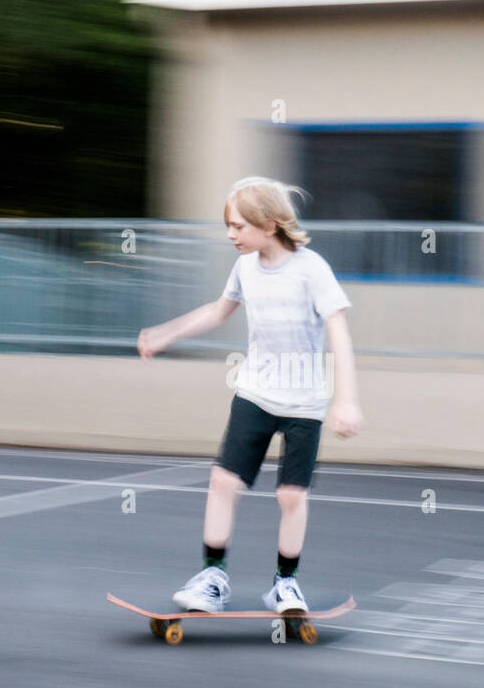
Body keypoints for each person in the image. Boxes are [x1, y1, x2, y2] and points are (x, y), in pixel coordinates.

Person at [137, 177, 363, 614]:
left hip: (304, 404)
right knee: (224, 482)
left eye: (239, 226)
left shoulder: (311, 268)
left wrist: (347, 399)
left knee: (291, 496)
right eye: (229, 226)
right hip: (255, 393)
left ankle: (285, 584)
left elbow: (339, 331)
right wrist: (167, 333)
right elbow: (217, 312)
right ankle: (212, 577)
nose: (230, 234)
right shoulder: (244, 268)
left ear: (270, 224)